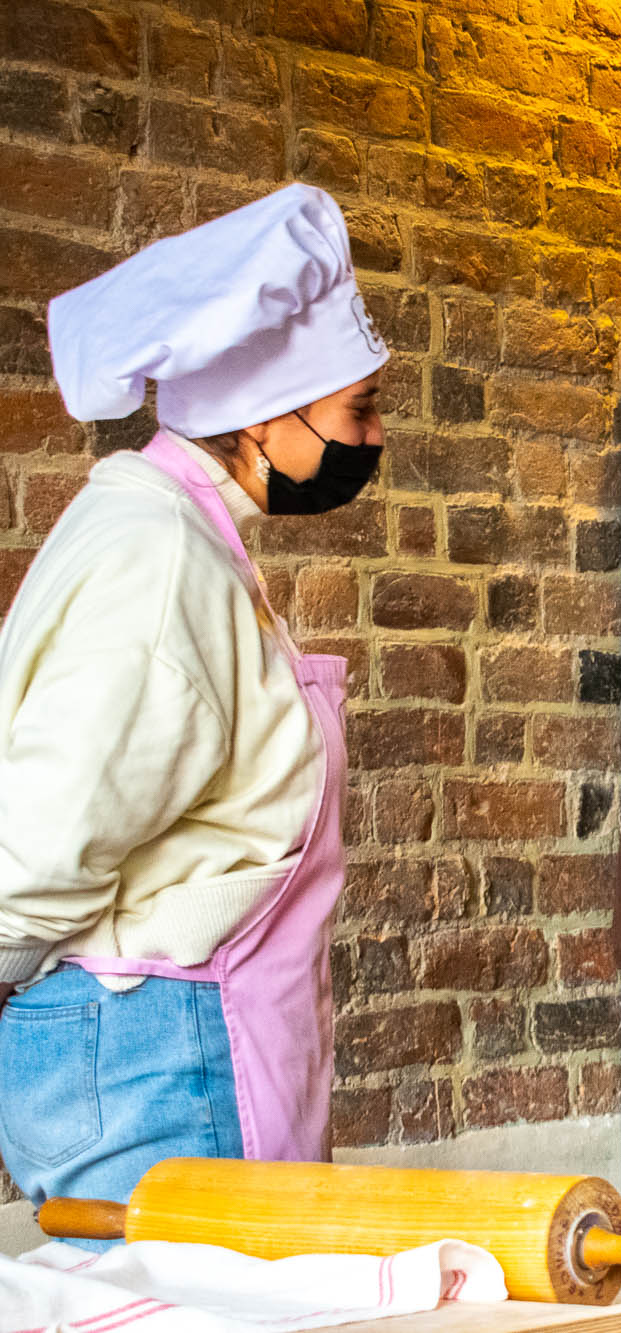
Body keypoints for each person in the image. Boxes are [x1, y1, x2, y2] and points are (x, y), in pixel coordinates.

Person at [0, 184, 388, 1215]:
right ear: (267, 414)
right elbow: (44, 831)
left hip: (180, 1040)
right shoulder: (159, 558)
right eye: (360, 410)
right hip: (156, 1055)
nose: (374, 437)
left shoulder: (179, 535)